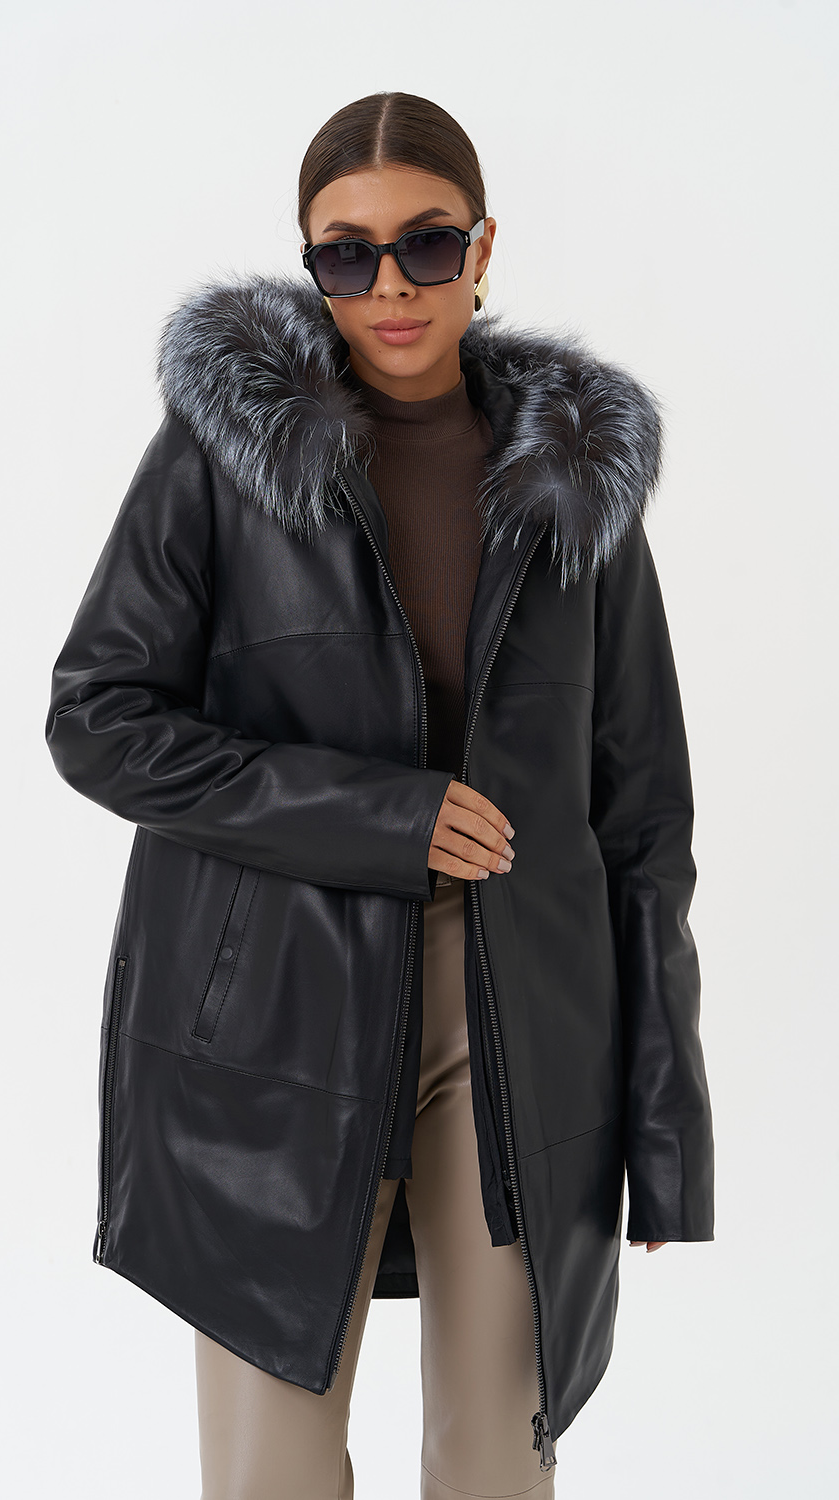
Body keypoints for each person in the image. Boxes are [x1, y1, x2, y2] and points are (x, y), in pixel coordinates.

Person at [45, 91, 715, 1500]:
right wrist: (380, 817)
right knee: (272, 1471)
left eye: (427, 243)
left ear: (484, 248)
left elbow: (644, 816)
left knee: (497, 1461)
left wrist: (665, 1124)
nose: (391, 286)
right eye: (346, 255)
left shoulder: (575, 486)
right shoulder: (224, 457)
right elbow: (99, 718)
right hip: (273, 1013)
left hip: (522, 1016)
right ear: (312, 267)